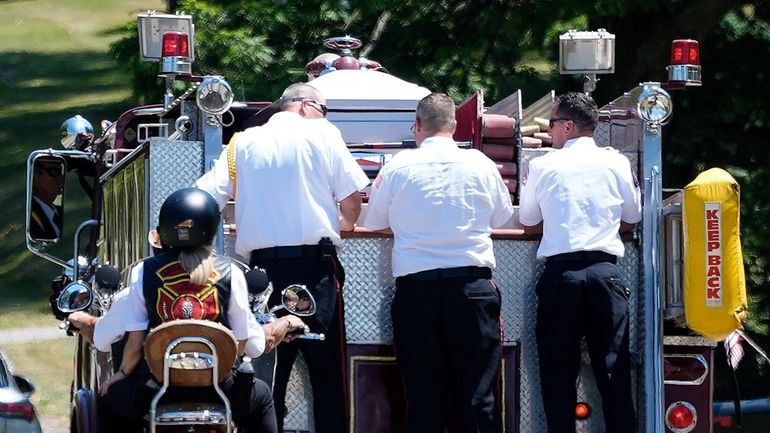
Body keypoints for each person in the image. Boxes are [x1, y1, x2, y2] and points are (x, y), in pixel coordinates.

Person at [196, 82, 369, 433]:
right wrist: (343, 226)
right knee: (328, 379)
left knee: (264, 375)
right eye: (323, 109)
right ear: (306, 105)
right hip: (316, 270)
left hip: (261, 275)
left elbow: (204, 197)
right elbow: (352, 200)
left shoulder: (241, 142)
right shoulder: (323, 133)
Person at [69, 187, 304, 433]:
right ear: (212, 231)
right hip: (218, 390)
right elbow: (246, 342)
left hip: (154, 387)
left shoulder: (144, 272)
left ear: (164, 231)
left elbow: (135, 343)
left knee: (107, 402)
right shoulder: (230, 272)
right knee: (264, 398)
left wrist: (123, 374)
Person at [363, 92, 514, 433]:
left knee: (424, 396)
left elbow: (373, 222)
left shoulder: (397, 166)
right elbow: (503, 217)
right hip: (473, 290)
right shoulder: (481, 164)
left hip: (417, 294)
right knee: (478, 396)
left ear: (417, 126)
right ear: (455, 125)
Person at [518, 92, 642, 433]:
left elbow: (528, 221)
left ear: (568, 126)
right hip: (607, 276)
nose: (550, 132)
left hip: (562, 276)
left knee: (558, 378)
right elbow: (632, 217)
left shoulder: (542, 165)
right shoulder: (617, 163)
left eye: (553, 124)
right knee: (614, 376)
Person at [29, 158, 65, 240]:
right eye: (54, 171)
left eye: (61, 171)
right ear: (34, 176)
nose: (61, 177)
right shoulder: (30, 218)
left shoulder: (60, 212)